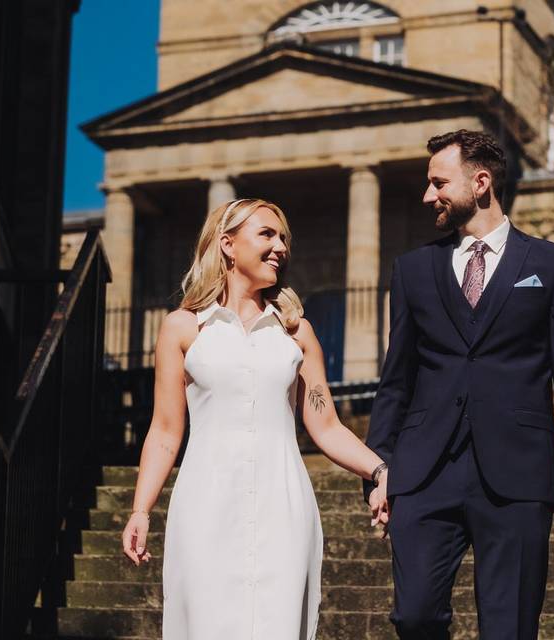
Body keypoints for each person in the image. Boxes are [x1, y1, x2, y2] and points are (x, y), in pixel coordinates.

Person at [364, 130, 554, 639]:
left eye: (438, 183)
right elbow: (396, 379)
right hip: (424, 471)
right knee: (414, 617)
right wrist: (379, 467)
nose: (428, 195)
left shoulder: (550, 265)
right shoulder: (412, 270)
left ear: (481, 181)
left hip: (517, 471)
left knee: (509, 627)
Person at [120, 198, 389, 639]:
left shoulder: (296, 333)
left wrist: (379, 469)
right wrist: (140, 510)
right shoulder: (183, 328)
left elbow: (326, 425)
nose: (280, 245)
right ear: (227, 245)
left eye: (283, 237)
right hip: (205, 505)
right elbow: (166, 431)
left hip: (283, 504)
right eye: (267, 233)